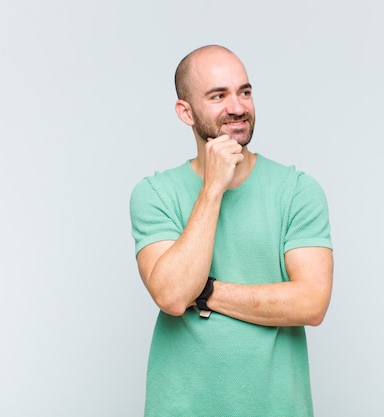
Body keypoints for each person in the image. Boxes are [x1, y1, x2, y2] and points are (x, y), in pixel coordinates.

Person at [129, 44, 333, 417]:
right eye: (218, 95)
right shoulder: (154, 194)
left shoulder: (298, 191)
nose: (237, 107)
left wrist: (206, 291)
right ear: (185, 112)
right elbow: (173, 295)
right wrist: (212, 189)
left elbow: (312, 302)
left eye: (245, 92)